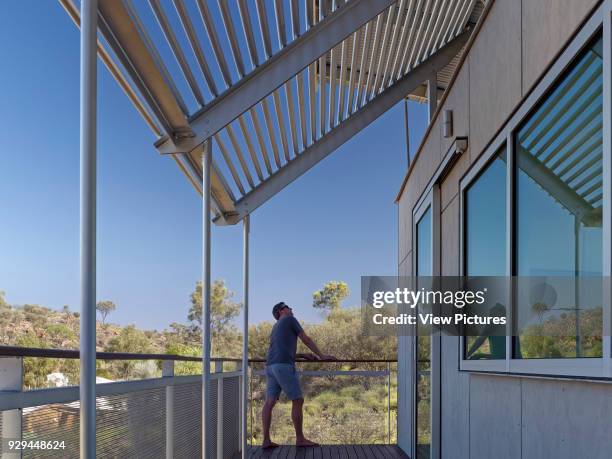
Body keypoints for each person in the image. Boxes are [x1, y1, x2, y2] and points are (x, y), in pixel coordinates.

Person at [262, 301, 336, 449]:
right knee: (298, 400)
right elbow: (305, 338)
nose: (291, 309)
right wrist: (321, 355)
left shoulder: (275, 327)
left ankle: (266, 441)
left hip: (271, 366)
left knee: (269, 402)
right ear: (281, 311)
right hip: (283, 366)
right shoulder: (290, 319)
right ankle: (300, 439)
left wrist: (301, 355)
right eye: (288, 307)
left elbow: (280, 350)